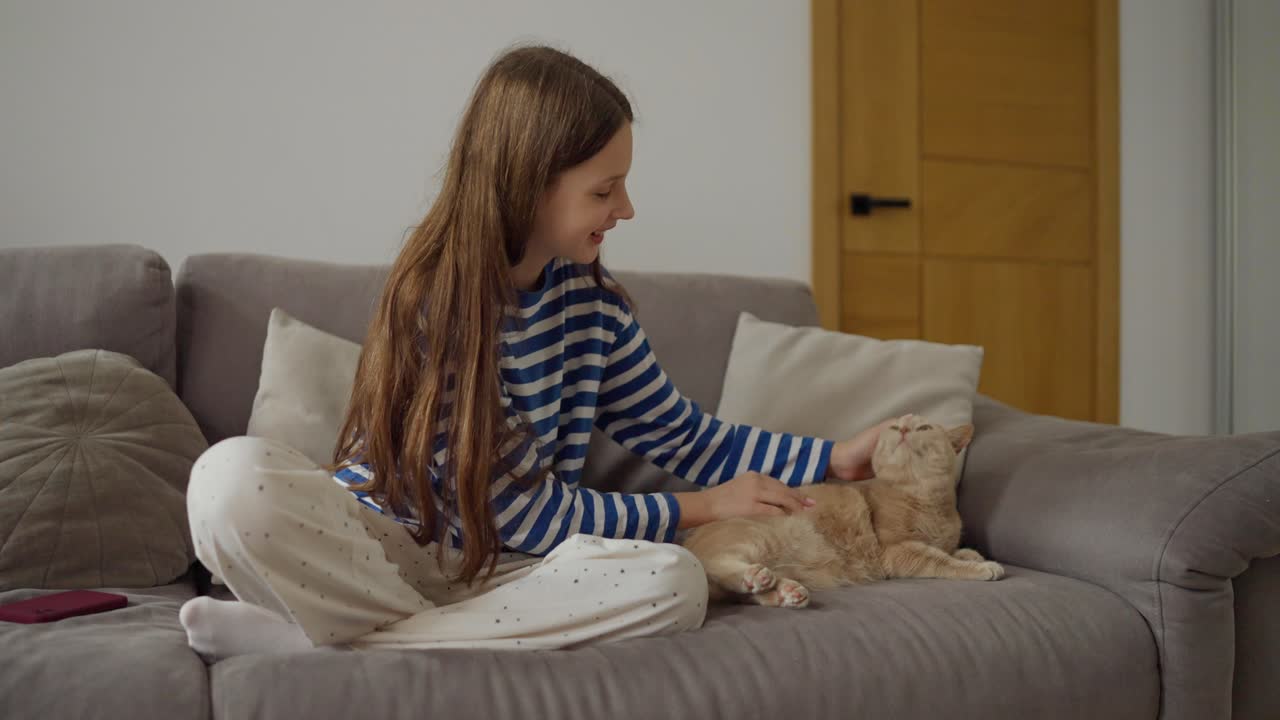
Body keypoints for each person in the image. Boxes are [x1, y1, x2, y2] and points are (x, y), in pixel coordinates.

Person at [178, 43, 889, 662]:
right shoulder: (435, 299)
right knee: (227, 478)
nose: (628, 209)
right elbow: (524, 514)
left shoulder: (594, 308)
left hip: (505, 573)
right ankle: (367, 623)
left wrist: (831, 459)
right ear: (529, 185)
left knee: (673, 584)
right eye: (605, 189)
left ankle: (321, 640)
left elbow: (681, 434)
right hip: (380, 548)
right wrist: (703, 508)